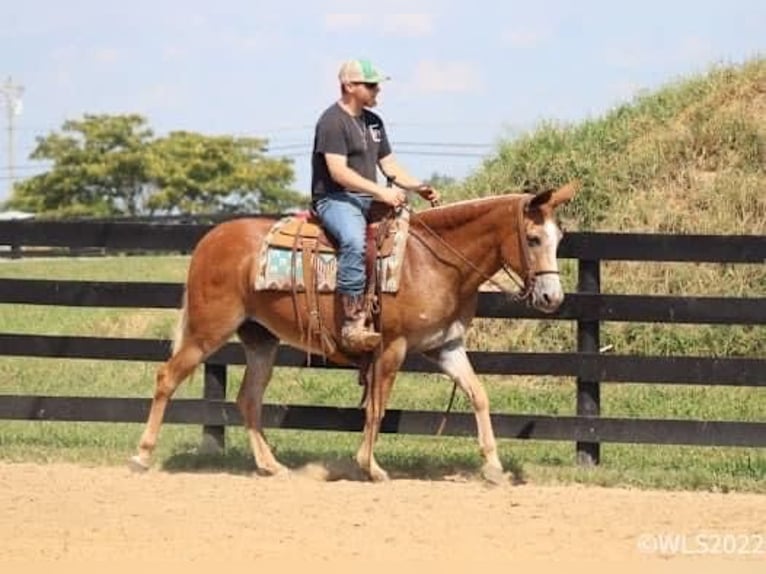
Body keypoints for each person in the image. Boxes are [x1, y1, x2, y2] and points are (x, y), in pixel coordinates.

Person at [311, 58, 440, 354]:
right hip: (334, 199)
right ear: (349, 86)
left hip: (366, 198)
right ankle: (352, 320)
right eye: (370, 85)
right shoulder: (331, 122)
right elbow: (338, 172)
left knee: (410, 235)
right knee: (355, 242)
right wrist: (381, 193)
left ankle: (395, 308)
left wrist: (417, 187)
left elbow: (389, 164)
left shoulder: (374, 123)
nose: (377, 89)